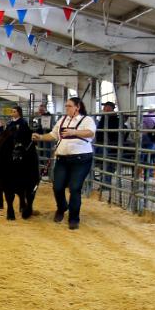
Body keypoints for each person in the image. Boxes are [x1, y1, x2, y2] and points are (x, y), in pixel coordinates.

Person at [32, 97, 96, 230]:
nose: (67, 108)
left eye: (69, 106)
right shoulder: (62, 120)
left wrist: (74, 132)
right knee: (57, 186)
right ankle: (61, 207)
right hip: (62, 159)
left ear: (78, 107)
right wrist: (41, 137)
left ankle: (74, 218)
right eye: (66, 106)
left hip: (81, 159)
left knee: (75, 188)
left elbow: (90, 133)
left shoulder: (86, 120)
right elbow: (53, 135)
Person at [97, 101, 122, 191]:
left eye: (106, 107)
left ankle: (106, 184)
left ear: (111, 109)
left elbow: (114, 134)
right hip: (102, 144)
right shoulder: (104, 118)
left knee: (106, 163)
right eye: (104, 108)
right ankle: (104, 183)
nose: (104, 109)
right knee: (104, 163)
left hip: (110, 146)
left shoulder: (114, 119)